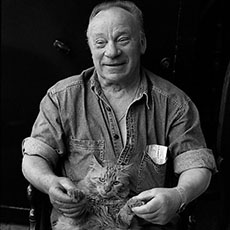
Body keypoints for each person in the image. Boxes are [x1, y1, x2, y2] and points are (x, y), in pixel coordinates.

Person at [22, 1, 217, 229]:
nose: (112, 52)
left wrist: (179, 195)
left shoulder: (175, 103)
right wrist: (51, 183)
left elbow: (196, 165)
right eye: (100, 43)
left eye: (123, 40)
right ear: (91, 49)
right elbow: (34, 158)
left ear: (142, 43)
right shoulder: (61, 97)